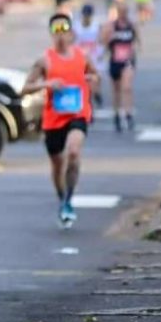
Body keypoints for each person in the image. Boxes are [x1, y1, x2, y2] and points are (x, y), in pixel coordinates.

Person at [21, 13, 100, 228]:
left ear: (71, 32)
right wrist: (47, 84)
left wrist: (93, 80)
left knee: (73, 152)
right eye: (56, 31)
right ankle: (62, 197)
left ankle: (68, 200)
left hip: (78, 114)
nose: (61, 36)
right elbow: (25, 88)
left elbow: (95, 76)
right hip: (53, 120)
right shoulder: (44, 60)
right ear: (51, 34)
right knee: (57, 164)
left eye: (64, 30)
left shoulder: (82, 56)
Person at [101, 3, 140, 133]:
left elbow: (138, 42)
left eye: (126, 11)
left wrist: (133, 52)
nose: (123, 14)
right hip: (115, 61)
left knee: (127, 88)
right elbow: (103, 43)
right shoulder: (111, 26)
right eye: (121, 11)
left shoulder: (132, 25)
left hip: (128, 61)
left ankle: (128, 114)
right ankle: (117, 115)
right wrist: (109, 38)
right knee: (116, 91)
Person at [72, 3, 104, 108]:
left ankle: (96, 93)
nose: (86, 17)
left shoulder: (96, 26)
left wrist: (101, 53)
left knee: (95, 79)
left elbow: (101, 41)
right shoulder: (76, 26)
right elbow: (72, 41)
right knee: (83, 82)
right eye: (85, 15)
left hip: (93, 57)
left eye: (88, 15)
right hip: (80, 58)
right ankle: (88, 104)